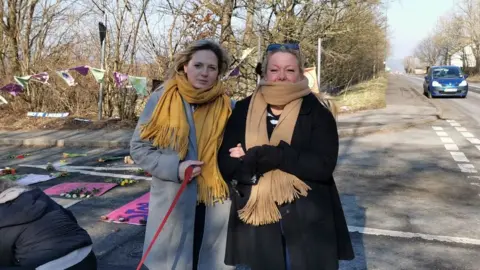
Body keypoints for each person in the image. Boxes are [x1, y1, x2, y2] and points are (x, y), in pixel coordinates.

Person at [218, 43, 354, 270]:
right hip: (259, 216)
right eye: (274, 69)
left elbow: (322, 166)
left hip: (307, 218)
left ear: (301, 74)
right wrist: (256, 164)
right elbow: (226, 162)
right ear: (264, 73)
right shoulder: (243, 109)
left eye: (290, 70)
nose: (281, 76)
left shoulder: (318, 112)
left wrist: (273, 156)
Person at [130, 39, 235, 270]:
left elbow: (236, 153)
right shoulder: (161, 99)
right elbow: (139, 148)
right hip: (173, 202)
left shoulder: (229, 106)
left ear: (219, 72)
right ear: (185, 66)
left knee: (209, 262)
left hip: (215, 204)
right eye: (198, 65)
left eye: (212, 68)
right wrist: (175, 167)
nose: (204, 73)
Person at [0, 180, 96, 270]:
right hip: (86, 257)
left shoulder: (3, 215)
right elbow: (70, 218)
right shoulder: (39, 198)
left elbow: (4, 255)